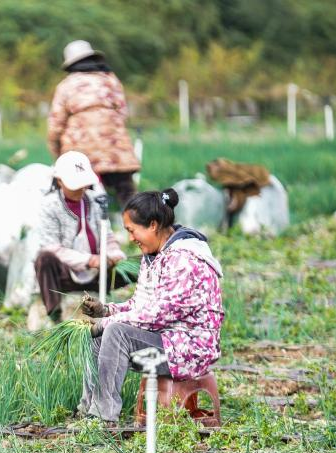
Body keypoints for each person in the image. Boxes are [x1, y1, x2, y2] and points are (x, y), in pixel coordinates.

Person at [79, 188, 223, 423]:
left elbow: (158, 314)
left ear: (153, 225)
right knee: (99, 334)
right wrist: (107, 310)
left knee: (115, 332)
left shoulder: (184, 259)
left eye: (132, 231)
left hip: (190, 348)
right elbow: (141, 305)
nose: (131, 238)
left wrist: (107, 322)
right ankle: (89, 409)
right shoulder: (155, 255)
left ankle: (104, 418)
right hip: (167, 339)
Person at [32, 151, 128, 328]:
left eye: (83, 185)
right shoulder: (49, 205)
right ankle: (55, 316)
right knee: (44, 258)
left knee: (138, 265)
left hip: (99, 272)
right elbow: (54, 248)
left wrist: (114, 254)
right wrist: (89, 260)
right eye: (74, 185)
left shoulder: (95, 201)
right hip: (65, 274)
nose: (80, 189)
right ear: (59, 181)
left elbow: (107, 234)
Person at [47, 40, 140, 209]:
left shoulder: (66, 86)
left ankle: (92, 230)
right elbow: (123, 113)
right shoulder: (111, 81)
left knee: (84, 194)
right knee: (126, 192)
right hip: (115, 148)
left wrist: (58, 155)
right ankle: (139, 228)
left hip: (81, 149)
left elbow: (56, 124)